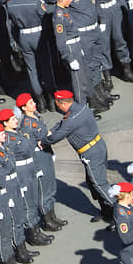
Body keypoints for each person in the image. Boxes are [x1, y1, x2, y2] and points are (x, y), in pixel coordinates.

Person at [41, 90, 113, 227]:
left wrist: (44, 141)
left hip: (90, 153)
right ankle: (106, 211)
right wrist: (53, 129)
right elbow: (62, 123)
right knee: (93, 183)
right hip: (98, 146)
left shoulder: (72, 119)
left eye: (57, 104)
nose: (57, 107)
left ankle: (117, 213)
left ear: (63, 103)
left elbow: (57, 136)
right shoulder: (80, 108)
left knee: (99, 183)